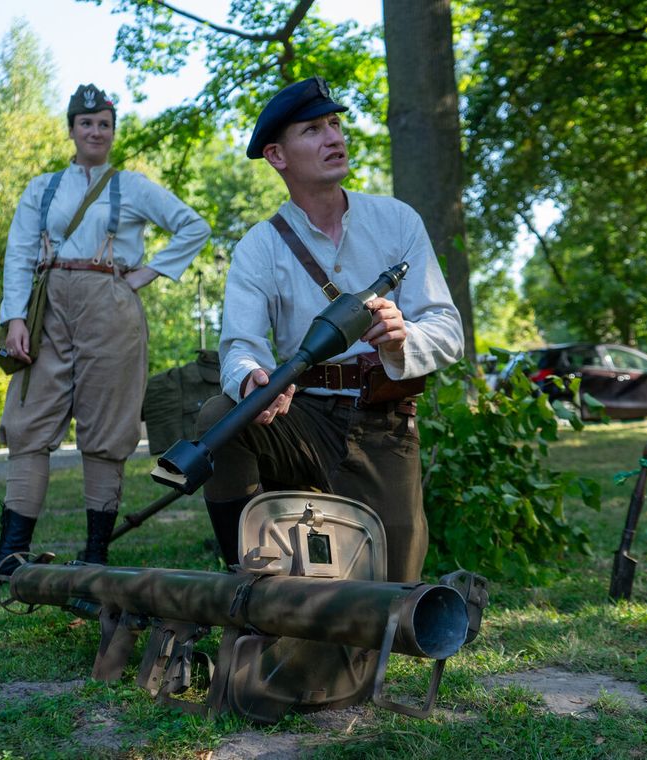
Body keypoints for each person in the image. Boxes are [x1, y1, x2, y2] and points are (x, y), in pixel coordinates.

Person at [197, 76, 464, 583]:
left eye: (336, 124)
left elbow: (448, 329)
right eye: (314, 129)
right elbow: (240, 347)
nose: (334, 137)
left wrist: (404, 337)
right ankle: (250, 580)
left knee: (392, 589)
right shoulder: (259, 246)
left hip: (382, 421)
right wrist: (251, 378)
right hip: (301, 416)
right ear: (277, 157)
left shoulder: (397, 221)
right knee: (221, 417)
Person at [0, 84, 211, 585]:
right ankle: (10, 554)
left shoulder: (133, 186)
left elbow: (193, 227)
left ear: (113, 131)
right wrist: (16, 318)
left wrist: (146, 274)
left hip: (112, 305)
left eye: (104, 123)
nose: (95, 131)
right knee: (28, 418)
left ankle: (96, 553)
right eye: (86, 123)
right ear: (72, 130)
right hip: (50, 302)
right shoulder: (42, 188)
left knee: (106, 426)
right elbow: (18, 254)